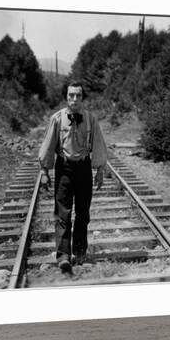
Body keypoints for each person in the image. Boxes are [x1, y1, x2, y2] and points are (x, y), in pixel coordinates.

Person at [38, 82, 108, 274]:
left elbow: (99, 145)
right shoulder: (57, 119)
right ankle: (63, 257)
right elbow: (49, 145)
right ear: (66, 97)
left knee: (83, 213)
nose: (74, 99)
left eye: (78, 95)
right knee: (63, 213)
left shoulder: (90, 119)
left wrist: (100, 171)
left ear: (82, 98)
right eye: (71, 96)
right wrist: (44, 172)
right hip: (64, 168)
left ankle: (79, 252)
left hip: (84, 168)